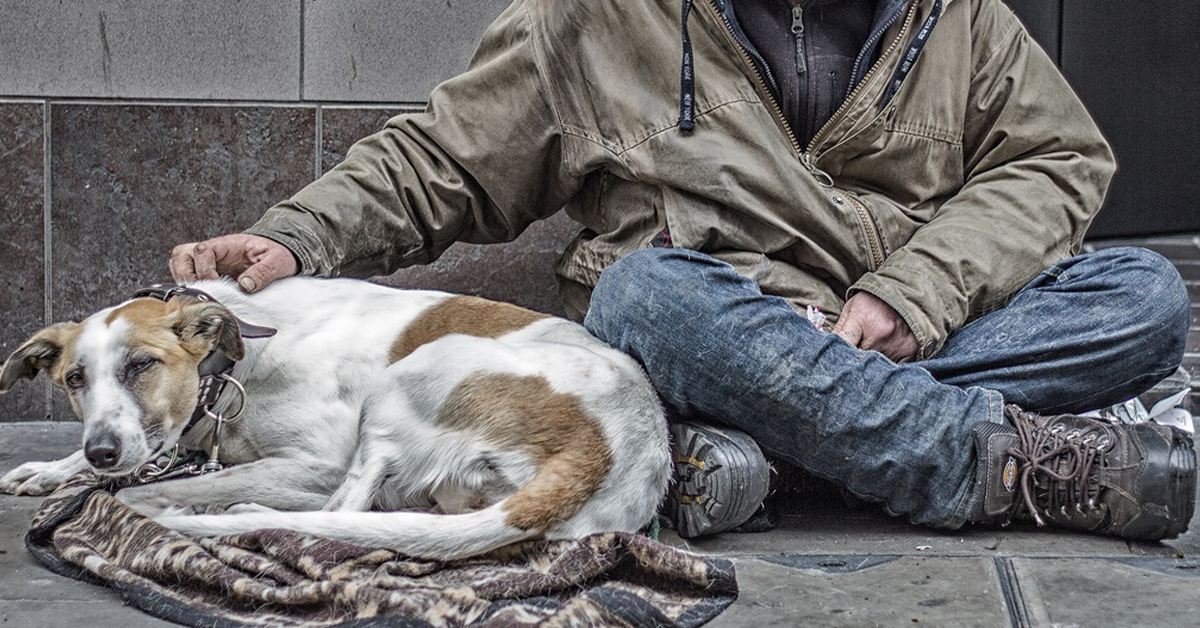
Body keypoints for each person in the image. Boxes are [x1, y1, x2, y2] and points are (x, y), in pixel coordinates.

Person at [171, 0, 1196, 540]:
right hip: (704, 325)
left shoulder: (960, 17)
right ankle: (993, 463)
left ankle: (770, 456)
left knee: (1142, 297)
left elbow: (1057, 158)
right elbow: (444, 158)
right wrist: (301, 235)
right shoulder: (597, 15)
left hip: (887, 325)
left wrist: (912, 293)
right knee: (643, 295)